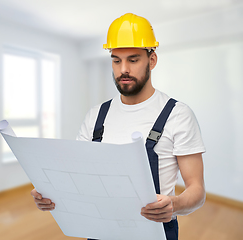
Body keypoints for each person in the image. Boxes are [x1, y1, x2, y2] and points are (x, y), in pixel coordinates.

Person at [30, 13, 206, 240]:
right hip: (98, 230)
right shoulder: (96, 116)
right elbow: (79, 177)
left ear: (151, 60)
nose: (123, 69)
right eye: (116, 60)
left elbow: (197, 191)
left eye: (133, 60)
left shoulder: (178, 115)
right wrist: (52, 194)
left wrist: (175, 204)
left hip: (154, 232)